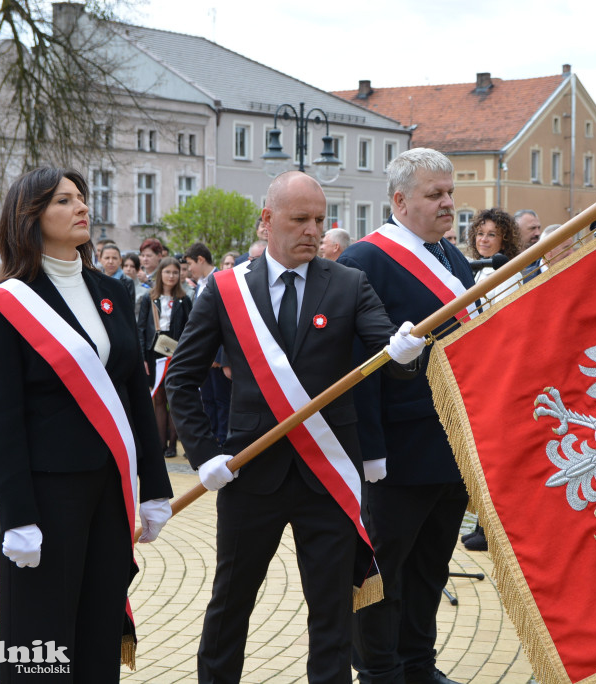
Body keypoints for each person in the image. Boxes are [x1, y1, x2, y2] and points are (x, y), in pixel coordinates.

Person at [166, 170, 425, 684]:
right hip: (249, 472)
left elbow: (388, 350)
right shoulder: (225, 290)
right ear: (267, 221)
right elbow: (181, 379)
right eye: (298, 219)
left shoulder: (349, 283)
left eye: (319, 220)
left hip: (326, 475)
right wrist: (205, 455)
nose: (312, 230)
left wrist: (404, 350)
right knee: (230, 605)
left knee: (330, 613)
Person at [0, 167, 174, 682]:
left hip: (109, 492)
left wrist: (153, 487)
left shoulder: (112, 291)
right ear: (32, 216)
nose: (81, 206)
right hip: (46, 496)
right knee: (40, 641)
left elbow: (132, 393)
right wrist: (17, 515)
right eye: (64, 200)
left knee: (98, 629)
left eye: (81, 197)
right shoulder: (7, 304)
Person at [338, 148, 474, 684]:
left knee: (430, 567)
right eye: (434, 195)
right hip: (396, 450)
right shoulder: (365, 262)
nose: (448, 204)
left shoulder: (451, 256)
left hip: (453, 442)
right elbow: (357, 367)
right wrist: (370, 451)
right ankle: (377, 669)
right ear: (400, 200)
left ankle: (418, 664)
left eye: (450, 193)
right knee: (382, 570)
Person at [137, 256, 192, 459]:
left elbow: (190, 328)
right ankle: (160, 443)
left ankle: (173, 443)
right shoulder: (148, 298)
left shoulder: (184, 300)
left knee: (174, 397)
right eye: (167, 272)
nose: (171, 276)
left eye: (175, 272)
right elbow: (141, 330)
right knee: (158, 398)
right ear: (160, 274)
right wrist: (142, 357)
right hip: (154, 352)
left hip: (177, 353)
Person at [183, 242, 230, 447]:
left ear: (201, 260)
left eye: (190, 264)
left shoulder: (221, 281)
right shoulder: (199, 285)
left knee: (222, 400)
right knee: (207, 400)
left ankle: (223, 439)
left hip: (217, 357)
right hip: (202, 357)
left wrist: (218, 356)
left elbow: (226, 325)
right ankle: (211, 437)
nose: (189, 269)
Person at [465, 207, 521, 305]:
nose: (483, 239)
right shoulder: (478, 269)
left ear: (505, 241)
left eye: (491, 235)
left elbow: (503, 315)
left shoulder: (509, 274)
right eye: (480, 233)